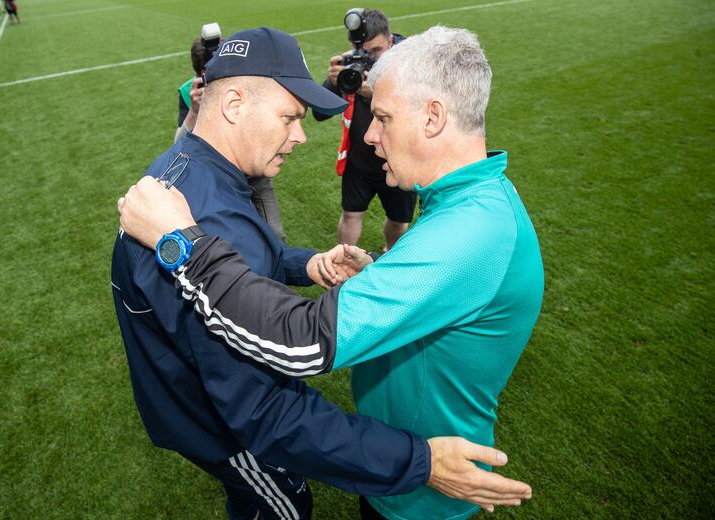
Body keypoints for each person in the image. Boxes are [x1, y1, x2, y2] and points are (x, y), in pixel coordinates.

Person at [118, 25, 543, 520]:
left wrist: (182, 243)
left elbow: (301, 341)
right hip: (401, 461)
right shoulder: (468, 202)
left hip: (423, 489)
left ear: (433, 117)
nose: (367, 134)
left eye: (381, 116)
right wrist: (374, 269)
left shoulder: (468, 233)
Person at [314, 9, 415, 252]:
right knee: (351, 214)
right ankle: (343, 260)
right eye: (364, 53)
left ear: (390, 41)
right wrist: (333, 82)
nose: (369, 60)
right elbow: (320, 113)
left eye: (376, 52)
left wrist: (377, 93)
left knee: (399, 220)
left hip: (398, 159)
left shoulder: (411, 63)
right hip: (358, 161)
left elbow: (418, 111)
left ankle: (391, 256)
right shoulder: (350, 65)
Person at [174, 29, 287, 242]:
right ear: (199, 73)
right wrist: (195, 109)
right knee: (230, 240)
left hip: (252, 173)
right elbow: (179, 144)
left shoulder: (245, 84)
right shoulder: (191, 91)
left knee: (275, 234)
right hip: (214, 178)